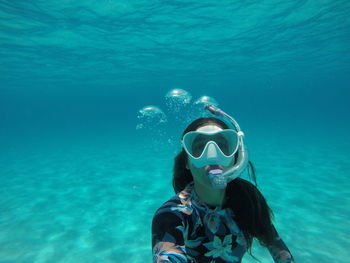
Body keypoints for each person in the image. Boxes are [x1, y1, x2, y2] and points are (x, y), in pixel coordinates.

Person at [151, 105, 295, 263]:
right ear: (187, 161)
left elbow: (277, 246)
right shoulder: (172, 215)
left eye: (223, 146)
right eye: (199, 148)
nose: (213, 157)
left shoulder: (247, 196)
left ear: (236, 157)